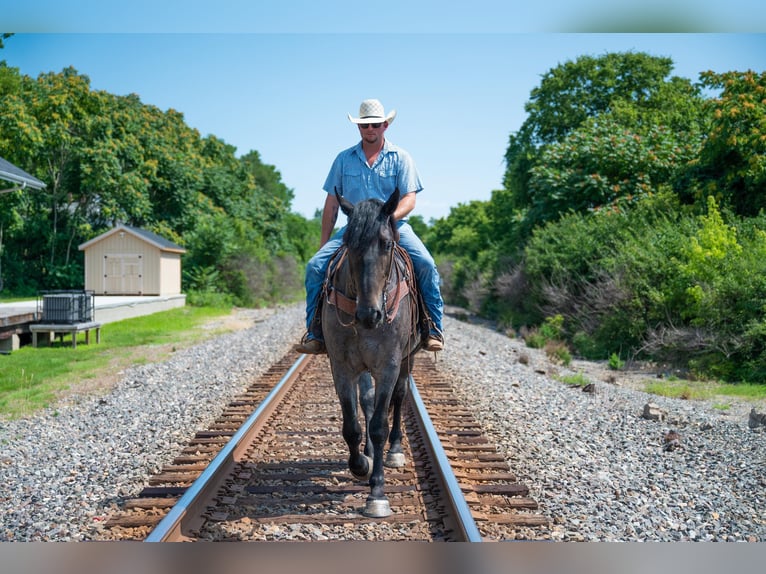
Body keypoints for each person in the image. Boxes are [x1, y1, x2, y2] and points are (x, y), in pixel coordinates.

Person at [295, 98, 444, 355]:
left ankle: (432, 327)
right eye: (365, 125)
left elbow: (410, 199)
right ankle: (315, 331)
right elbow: (331, 205)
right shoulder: (343, 160)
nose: (370, 129)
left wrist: (387, 218)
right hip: (354, 229)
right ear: (359, 128)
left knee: (427, 265)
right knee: (314, 267)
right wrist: (323, 244)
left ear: (385, 125)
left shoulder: (401, 157)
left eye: (375, 124)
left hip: (394, 225)